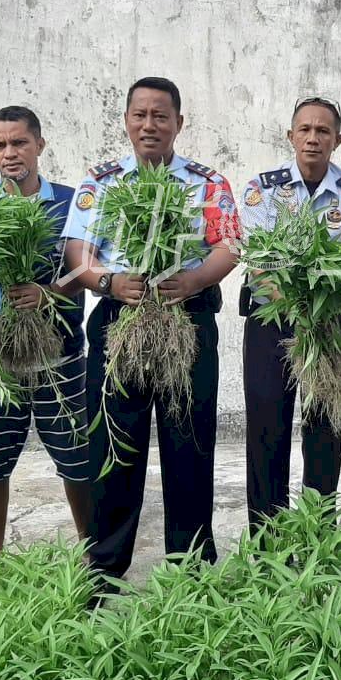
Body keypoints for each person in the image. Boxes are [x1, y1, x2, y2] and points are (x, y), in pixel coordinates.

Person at [62, 77, 240, 581]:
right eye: (139, 115)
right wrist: (110, 282)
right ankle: (104, 568)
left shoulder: (207, 183)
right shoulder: (101, 182)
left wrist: (195, 280)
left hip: (187, 320)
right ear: (125, 121)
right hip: (121, 320)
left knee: (189, 441)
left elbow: (228, 245)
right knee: (114, 444)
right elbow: (79, 251)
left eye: (160, 116)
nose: (149, 125)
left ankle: (191, 569)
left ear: (178, 123)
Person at [0, 106, 91, 553]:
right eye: (0, 145)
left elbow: (87, 270)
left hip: (61, 359)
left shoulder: (70, 203)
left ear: (40, 145)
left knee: (78, 463)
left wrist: (47, 292)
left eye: (20, 143)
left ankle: (92, 552)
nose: (10, 153)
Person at [238, 95, 341, 532]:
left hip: (326, 324)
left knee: (323, 433)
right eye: (305, 130)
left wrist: (314, 309)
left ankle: (319, 536)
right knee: (267, 433)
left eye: (323, 131)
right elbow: (258, 261)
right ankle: (266, 542)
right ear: (291, 136)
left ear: (338, 139)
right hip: (271, 324)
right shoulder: (263, 189)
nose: (313, 138)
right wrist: (295, 303)